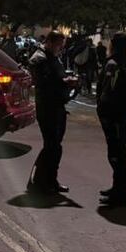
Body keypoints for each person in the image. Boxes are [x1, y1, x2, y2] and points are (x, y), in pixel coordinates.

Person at [28, 30, 77, 195]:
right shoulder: (39, 59)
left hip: (57, 107)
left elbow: (56, 76)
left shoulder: (52, 57)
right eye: (58, 45)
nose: (60, 49)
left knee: (54, 147)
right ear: (49, 42)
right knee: (52, 146)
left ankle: (48, 180)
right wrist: (65, 82)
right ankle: (41, 180)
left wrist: (67, 81)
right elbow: (45, 83)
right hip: (48, 108)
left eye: (61, 46)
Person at [97, 33, 126, 207]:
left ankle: (121, 193)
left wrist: (102, 111)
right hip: (124, 114)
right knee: (119, 151)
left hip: (114, 116)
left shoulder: (113, 64)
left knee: (116, 154)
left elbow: (106, 92)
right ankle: (117, 188)